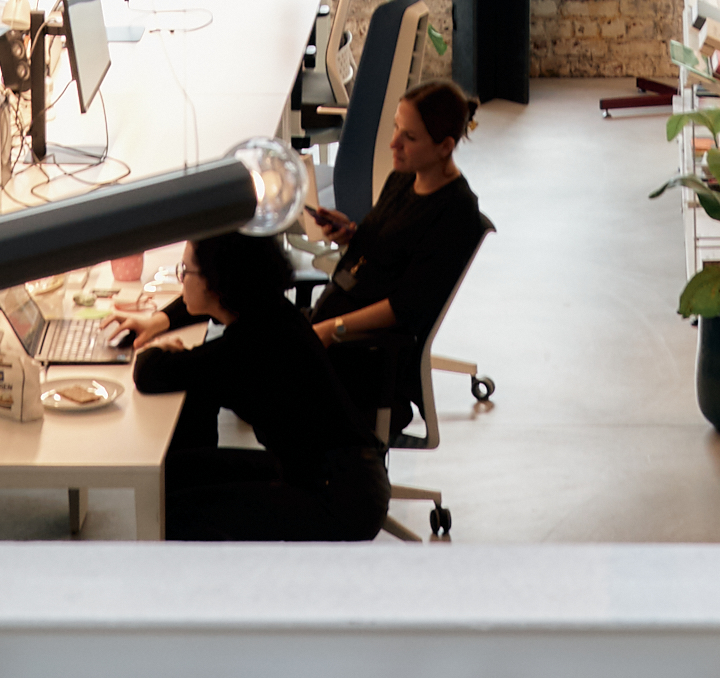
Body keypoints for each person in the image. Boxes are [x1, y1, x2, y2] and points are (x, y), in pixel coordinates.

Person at [130, 231, 389, 541]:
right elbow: (193, 341)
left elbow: (148, 373)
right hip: (335, 474)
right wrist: (163, 324)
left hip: (338, 499)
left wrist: (161, 350)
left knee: (173, 512)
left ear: (216, 281)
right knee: (172, 472)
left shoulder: (248, 347)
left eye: (186, 271)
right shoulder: (270, 313)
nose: (181, 279)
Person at [302, 77, 487, 437]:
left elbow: (406, 307)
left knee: (243, 372)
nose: (394, 144)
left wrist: (330, 330)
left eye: (410, 137)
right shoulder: (405, 178)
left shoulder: (455, 212)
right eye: (396, 128)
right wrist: (351, 236)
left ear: (444, 146)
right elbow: (389, 251)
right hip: (335, 327)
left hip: (366, 355)